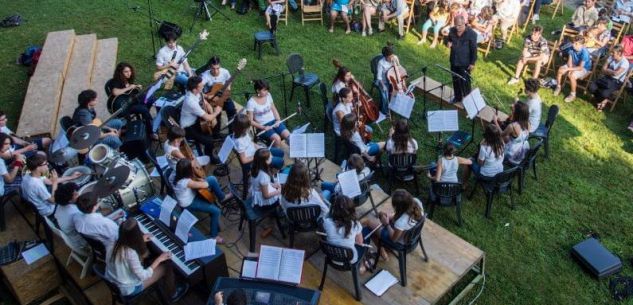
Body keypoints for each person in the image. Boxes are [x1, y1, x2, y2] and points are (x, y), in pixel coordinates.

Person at [106, 218, 188, 302]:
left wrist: (141, 240)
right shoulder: (130, 253)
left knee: (148, 258)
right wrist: (159, 259)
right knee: (166, 266)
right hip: (129, 289)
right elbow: (144, 276)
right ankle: (173, 293)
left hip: (114, 279)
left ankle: (167, 283)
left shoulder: (111, 242)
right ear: (135, 236)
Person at [173, 159, 228, 242]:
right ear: (187, 171)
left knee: (212, 179)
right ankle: (214, 236)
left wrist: (199, 179)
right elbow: (205, 185)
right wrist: (202, 180)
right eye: (191, 168)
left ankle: (221, 197)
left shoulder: (176, 175)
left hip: (189, 196)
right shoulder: (186, 182)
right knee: (216, 211)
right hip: (189, 203)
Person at [362, 189, 424, 260]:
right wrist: (388, 216)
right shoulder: (417, 202)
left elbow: (394, 239)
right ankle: (385, 250)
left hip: (401, 243)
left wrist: (387, 224)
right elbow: (400, 215)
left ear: (399, 208)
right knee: (375, 224)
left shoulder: (401, 222)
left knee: (369, 223)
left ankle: (383, 254)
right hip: (412, 238)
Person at [105, 62, 155, 140]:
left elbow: (129, 93)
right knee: (144, 110)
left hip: (131, 102)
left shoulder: (128, 79)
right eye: (126, 72)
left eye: (130, 71)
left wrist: (136, 87)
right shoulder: (115, 81)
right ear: (120, 73)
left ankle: (146, 119)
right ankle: (150, 132)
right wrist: (129, 88)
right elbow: (115, 92)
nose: (129, 73)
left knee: (150, 98)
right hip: (123, 107)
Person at [180, 76, 222, 163]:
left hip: (196, 120)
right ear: (195, 89)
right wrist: (216, 112)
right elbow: (207, 118)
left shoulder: (197, 92)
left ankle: (214, 136)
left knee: (215, 118)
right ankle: (210, 156)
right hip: (188, 128)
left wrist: (211, 111)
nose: (203, 87)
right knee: (209, 140)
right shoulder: (190, 101)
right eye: (201, 86)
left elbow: (206, 103)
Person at [322, 195, 369, 268]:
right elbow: (360, 242)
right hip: (350, 260)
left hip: (332, 257)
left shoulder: (326, 222)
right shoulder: (355, 224)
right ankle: (363, 264)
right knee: (366, 236)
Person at [245, 80, 290, 148]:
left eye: (267, 90)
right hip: (262, 125)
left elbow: (274, 109)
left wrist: (278, 120)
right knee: (277, 139)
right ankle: (274, 155)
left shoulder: (268, 95)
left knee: (288, 135)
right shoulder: (251, 103)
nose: (267, 92)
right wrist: (263, 127)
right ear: (258, 90)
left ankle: (298, 155)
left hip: (274, 121)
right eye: (264, 90)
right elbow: (250, 121)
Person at [200, 56, 238, 134]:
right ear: (210, 67)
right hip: (212, 99)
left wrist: (228, 90)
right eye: (213, 68)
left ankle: (232, 133)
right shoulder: (205, 76)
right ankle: (216, 135)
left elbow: (229, 81)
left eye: (218, 68)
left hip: (223, 96)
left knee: (232, 110)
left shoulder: (225, 72)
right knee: (216, 114)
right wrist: (207, 96)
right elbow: (198, 90)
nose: (216, 71)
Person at [448, 16, 478, 103]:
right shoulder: (452, 30)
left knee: (465, 83)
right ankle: (458, 97)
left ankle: (468, 102)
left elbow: (474, 50)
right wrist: (448, 42)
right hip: (454, 60)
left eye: (460, 25)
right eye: (456, 25)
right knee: (455, 80)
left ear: (464, 23)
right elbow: (448, 39)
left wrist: (472, 63)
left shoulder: (472, 34)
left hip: (465, 63)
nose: (457, 28)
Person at [554, 35, 592, 103]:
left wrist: (569, 70)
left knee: (572, 76)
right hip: (574, 65)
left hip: (584, 68)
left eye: (576, 43)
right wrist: (569, 68)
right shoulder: (572, 48)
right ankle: (558, 86)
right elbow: (569, 61)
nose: (573, 45)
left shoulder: (584, 52)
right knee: (560, 69)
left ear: (581, 45)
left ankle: (573, 94)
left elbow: (580, 67)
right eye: (574, 43)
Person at [591, 46, 630, 111]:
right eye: (611, 52)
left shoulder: (625, 62)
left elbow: (616, 74)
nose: (611, 54)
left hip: (617, 81)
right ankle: (601, 101)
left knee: (604, 93)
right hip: (607, 78)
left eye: (613, 53)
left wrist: (608, 70)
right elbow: (603, 69)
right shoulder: (611, 57)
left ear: (619, 53)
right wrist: (611, 71)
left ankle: (599, 101)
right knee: (592, 86)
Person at [53, 183, 89, 251]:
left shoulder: (59, 206)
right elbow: (88, 224)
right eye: (75, 194)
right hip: (82, 241)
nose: (78, 194)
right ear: (69, 200)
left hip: (72, 235)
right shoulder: (75, 212)